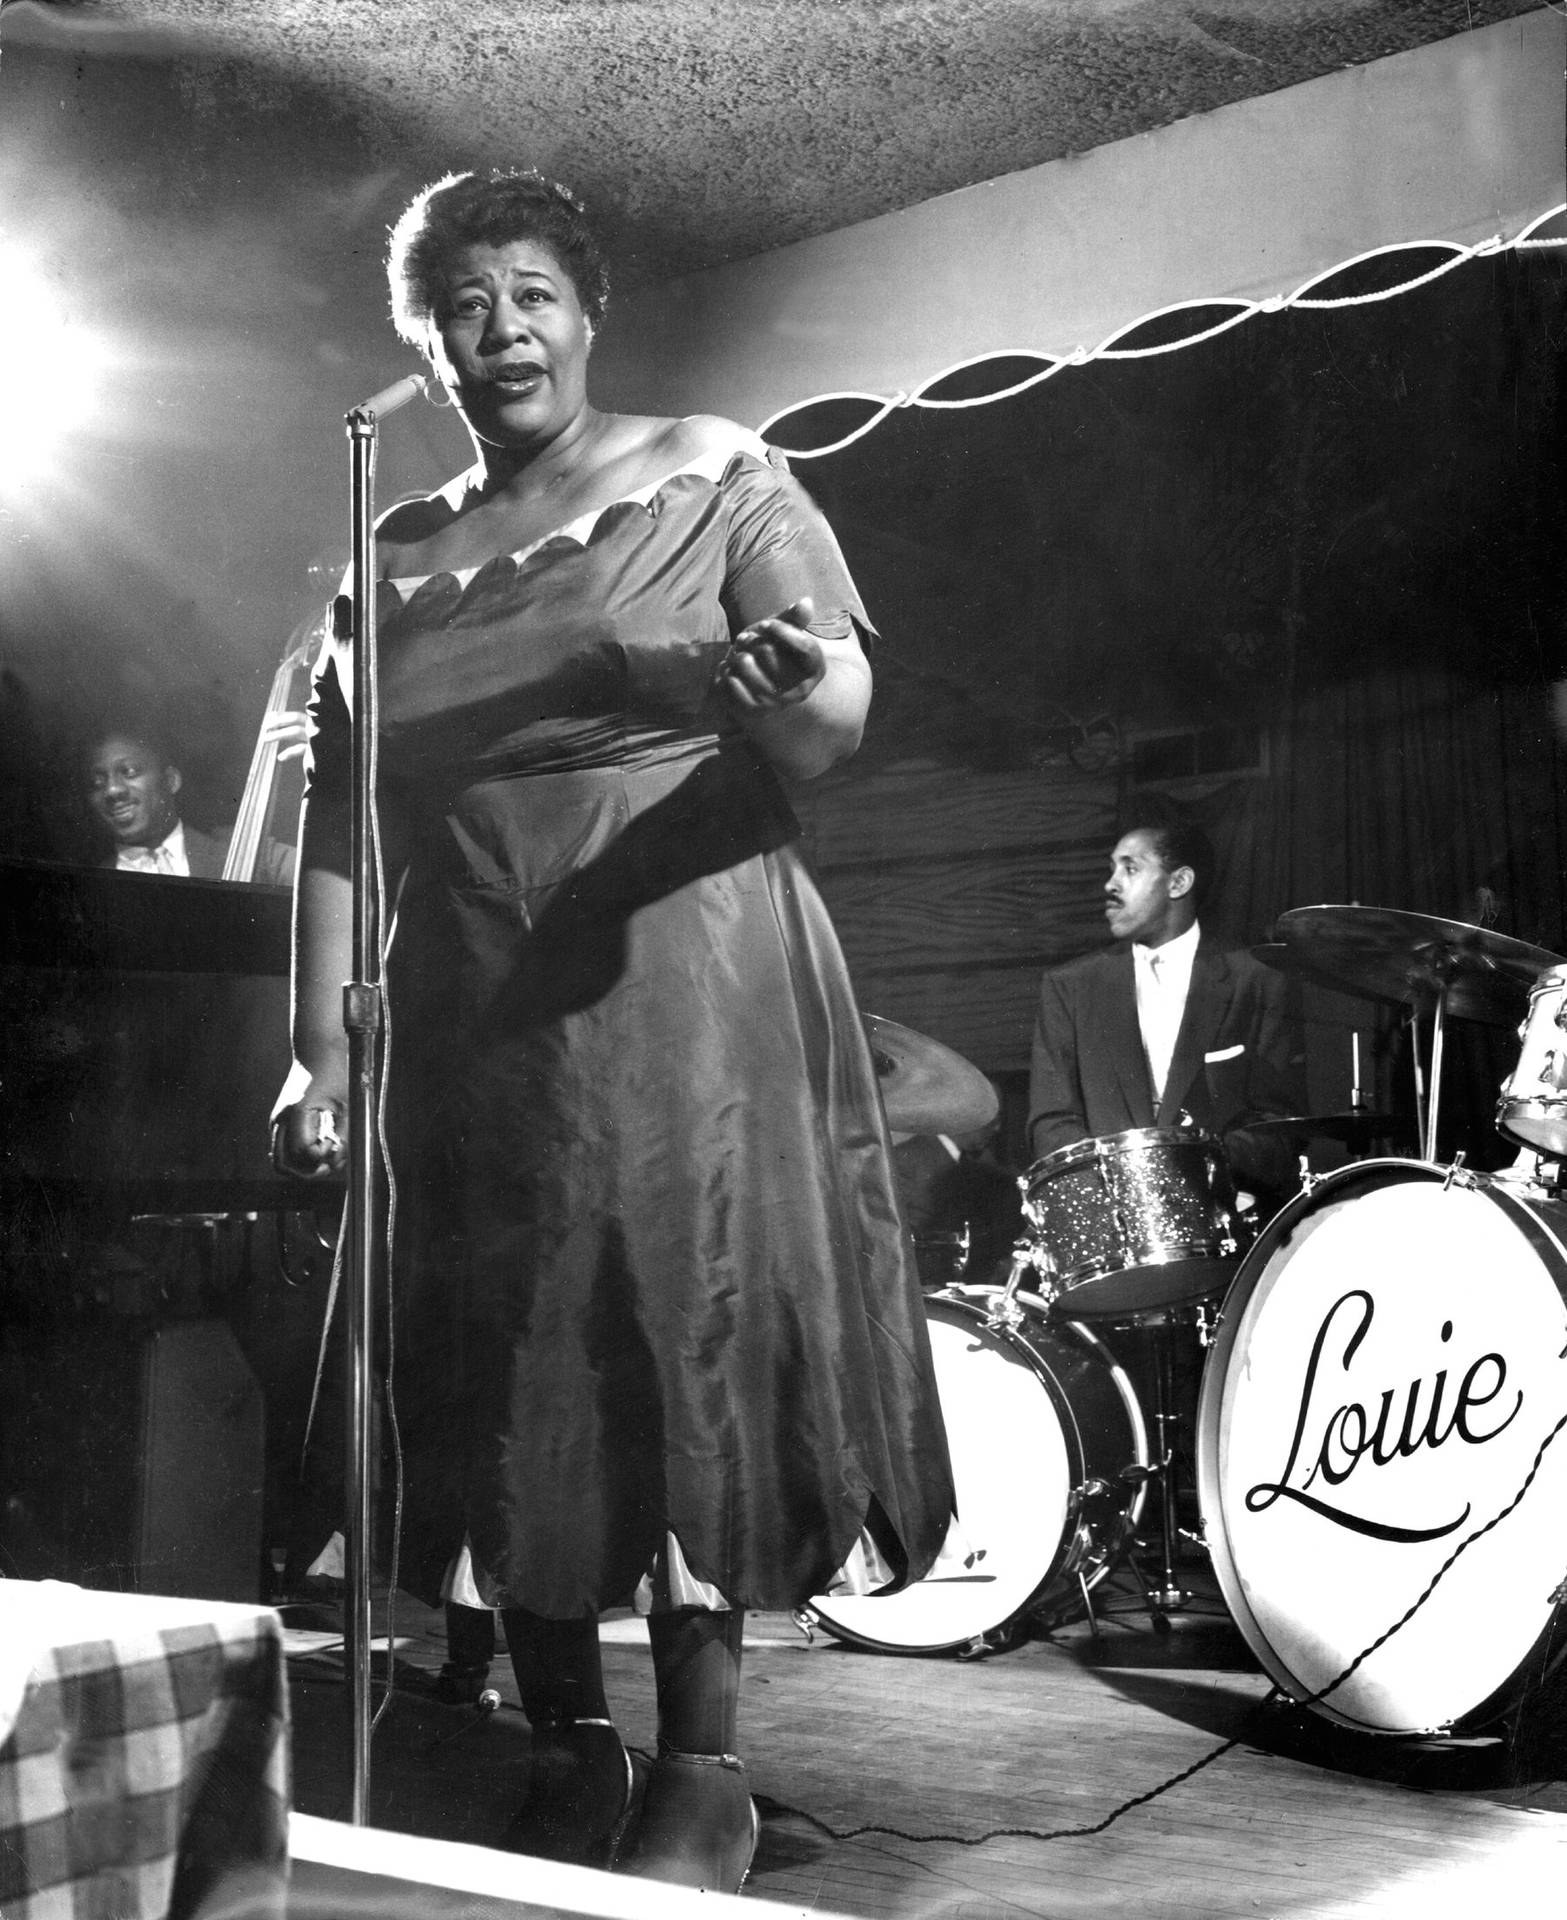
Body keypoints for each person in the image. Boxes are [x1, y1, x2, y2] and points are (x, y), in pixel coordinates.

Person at [271, 169, 953, 1892]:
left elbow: (835, 710)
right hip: (468, 991)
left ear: (587, 312)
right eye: (463, 308)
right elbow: (340, 830)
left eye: (529, 295)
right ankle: (562, 1740)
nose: (499, 331)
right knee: (507, 1347)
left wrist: (795, 693)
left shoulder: (713, 469)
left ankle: (703, 1761)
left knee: (677, 1315)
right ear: (424, 351)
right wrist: (318, 1054)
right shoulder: (385, 564)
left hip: (677, 964)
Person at [1028, 812, 1304, 1215]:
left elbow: (1279, 1126)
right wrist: (1127, 1184)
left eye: (1130, 868)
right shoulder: (1069, 986)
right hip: (1112, 1229)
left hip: (1228, 1227)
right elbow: (1051, 1123)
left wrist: (1195, 1167)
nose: (1110, 884)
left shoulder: (1258, 980)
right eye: (1112, 868)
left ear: (1179, 882)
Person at [82, 722, 296, 885]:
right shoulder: (88, 883)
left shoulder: (247, 851)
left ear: (170, 781)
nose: (112, 790)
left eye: (129, 772)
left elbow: (320, 879)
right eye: (97, 783)